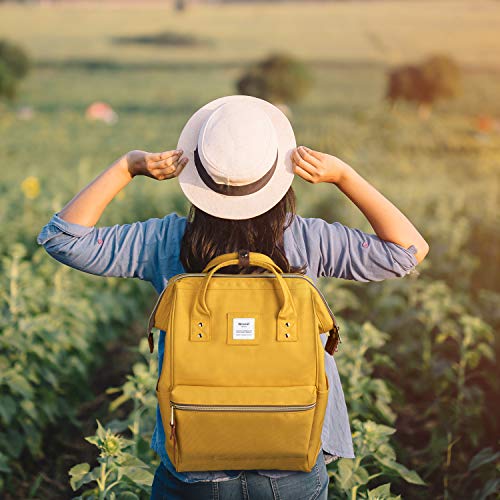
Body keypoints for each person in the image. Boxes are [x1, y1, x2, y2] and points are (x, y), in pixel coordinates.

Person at [37, 95, 429, 500]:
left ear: (198, 175)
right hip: (293, 457)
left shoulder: (167, 240)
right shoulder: (309, 240)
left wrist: (127, 167)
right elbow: (408, 251)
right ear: (278, 172)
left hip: (194, 463)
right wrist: (344, 176)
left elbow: (62, 238)